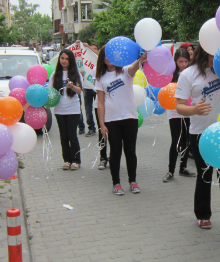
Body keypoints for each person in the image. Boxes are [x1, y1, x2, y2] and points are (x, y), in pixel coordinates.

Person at [174, 44, 220, 243]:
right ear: (204, 51)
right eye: (214, 52)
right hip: (200, 133)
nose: (217, 56)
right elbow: (179, 106)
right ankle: (203, 215)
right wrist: (194, 110)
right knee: (204, 175)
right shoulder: (188, 74)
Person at [95, 45, 147, 195]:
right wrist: (102, 124)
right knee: (115, 152)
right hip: (112, 120)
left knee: (130, 151)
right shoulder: (101, 77)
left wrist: (141, 59)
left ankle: (133, 181)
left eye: (110, 55)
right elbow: (100, 102)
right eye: (104, 55)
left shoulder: (125, 71)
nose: (107, 57)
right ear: (102, 58)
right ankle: (116, 183)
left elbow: (134, 67)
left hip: (130, 117)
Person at [163, 48, 196, 182]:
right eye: (180, 61)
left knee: (185, 140)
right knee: (176, 140)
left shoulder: (191, 74)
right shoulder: (171, 75)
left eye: (185, 61)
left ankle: (183, 167)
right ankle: (170, 170)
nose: (183, 64)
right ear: (175, 62)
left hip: (188, 111)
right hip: (174, 112)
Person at [50, 49, 83, 170]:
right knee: (63, 136)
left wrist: (72, 86)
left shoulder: (75, 74)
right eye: (62, 58)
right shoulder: (54, 75)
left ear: (71, 60)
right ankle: (67, 160)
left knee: (72, 135)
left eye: (67, 59)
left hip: (73, 109)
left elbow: (79, 90)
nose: (64, 61)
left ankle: (76, 160)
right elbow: (50, 92)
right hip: (59, 110)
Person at [80, 42, 99, 137]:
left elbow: (99, 54)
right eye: (91, 49)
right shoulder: (85, 60)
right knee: (88, 110)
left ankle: (101, 127)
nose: (92, 51)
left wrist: (90, 49)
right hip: (87, 88)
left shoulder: (99, 59)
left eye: (95, 49)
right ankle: (91, 128)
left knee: (99, 109)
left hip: (97, 88)